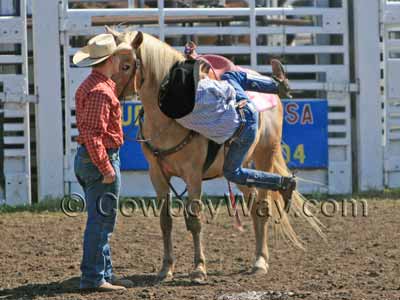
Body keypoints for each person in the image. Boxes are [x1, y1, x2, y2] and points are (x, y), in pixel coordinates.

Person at [159, 57, 296, 209]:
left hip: (239, 128)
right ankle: (276, 85)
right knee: (231, 77)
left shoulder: (178, 115)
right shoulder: (205, 88)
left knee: (232, 173)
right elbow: (229, 91)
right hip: (246, 118)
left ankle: (281, 183)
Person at [72, 33, 133, 292]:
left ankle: (103, 273)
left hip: (89, 159)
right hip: (101, 159)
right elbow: (93, 133)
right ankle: (94, 278)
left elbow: (89, 132)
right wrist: (106, 168)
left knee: (100, 219)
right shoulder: (100, 91)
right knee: (101, 221)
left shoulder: (91, 85)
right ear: (111, 59)